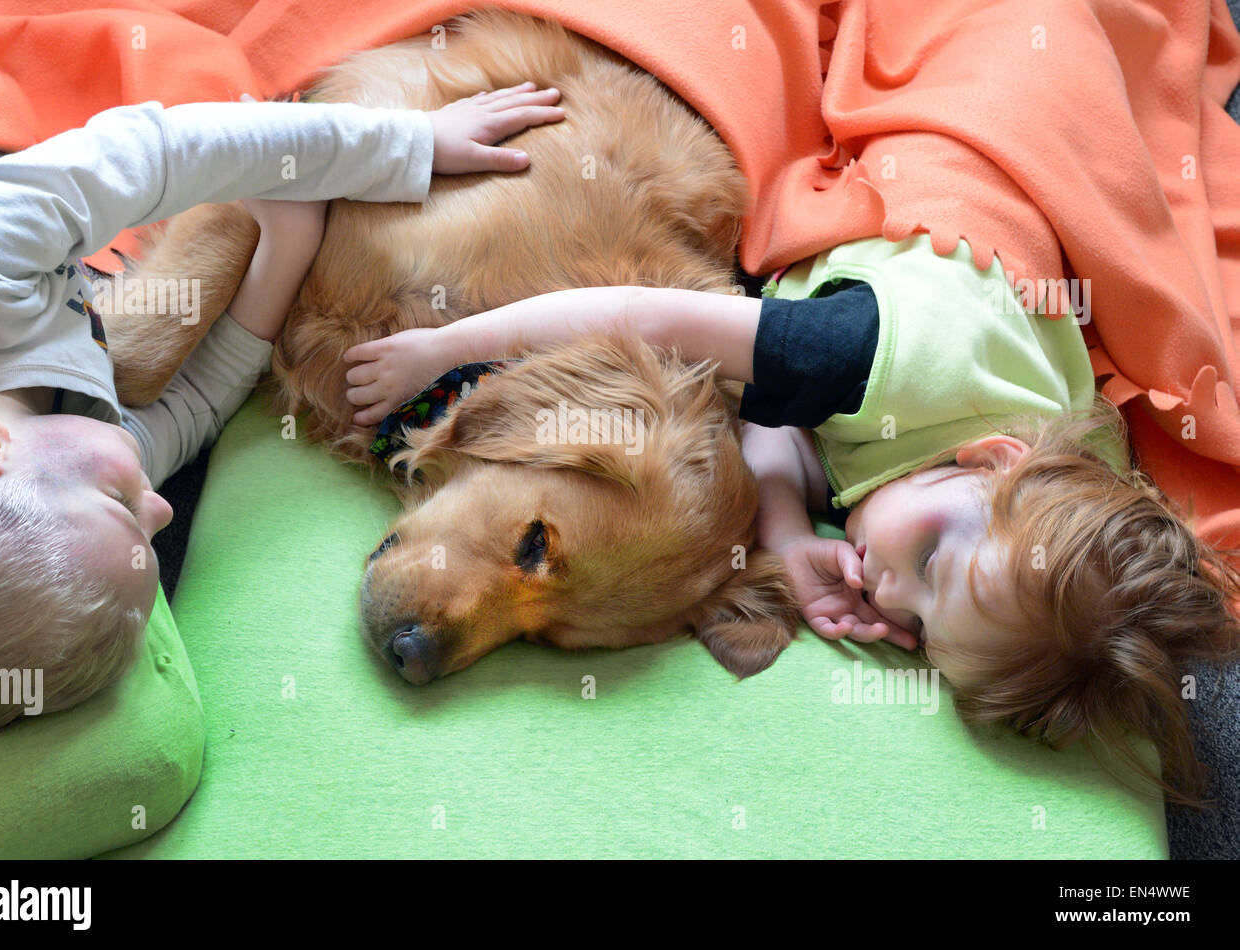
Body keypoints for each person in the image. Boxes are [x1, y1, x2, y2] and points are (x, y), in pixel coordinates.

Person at [342, 233, 1240, 806]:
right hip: (948, 227)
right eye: (925, 564)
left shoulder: (1020, 515)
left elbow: (772, 434)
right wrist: (447, 349)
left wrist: (780, 534)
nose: (886, 589)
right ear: (990, 458)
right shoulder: (853, 360)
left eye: (918, 629)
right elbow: (640, 317)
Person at [0, 83, 565, 739]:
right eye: (155, 538)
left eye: (125, 506)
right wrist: (287, 242)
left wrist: (407, 145)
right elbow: (201, 403)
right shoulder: (76, 476)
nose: (161, 508)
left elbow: (158, 152)